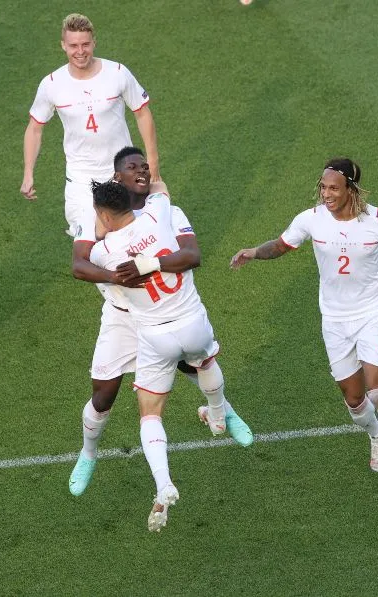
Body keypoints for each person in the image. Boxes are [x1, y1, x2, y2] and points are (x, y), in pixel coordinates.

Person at [231, 157, 378, 492]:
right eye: (323, 187)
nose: (326, 194)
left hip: (372, 313)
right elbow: (281, 246)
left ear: (351, 190)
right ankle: (376, 435)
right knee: (354, 400)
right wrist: (253, 252)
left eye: (333, 188)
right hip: (335, 320)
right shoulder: (311, 220)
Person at [68, 146, 253, 499]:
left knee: (196, 367)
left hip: (164, 315)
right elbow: (78, 265)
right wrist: (116, 276)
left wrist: (146, 265)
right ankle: (88, 454)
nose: (142, 171)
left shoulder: (166, 209)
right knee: (103, 394)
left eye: (145, 166)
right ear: (116, 179)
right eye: (132, 167)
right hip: (122, 318)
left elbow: (190, 255)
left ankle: (225, 413)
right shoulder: (99, 220)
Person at [20, 13, 159, 236]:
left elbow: (142, 113)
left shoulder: (117, 73)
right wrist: (28, 172)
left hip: (123, 173)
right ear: (63, 45)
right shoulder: (52, 84)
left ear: (94, 42)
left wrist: (152, 161)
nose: (80, 51)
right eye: (74, 45)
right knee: (89, 239)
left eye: (85, 44)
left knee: (131, 237)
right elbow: (35, 128)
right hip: (81, 178)